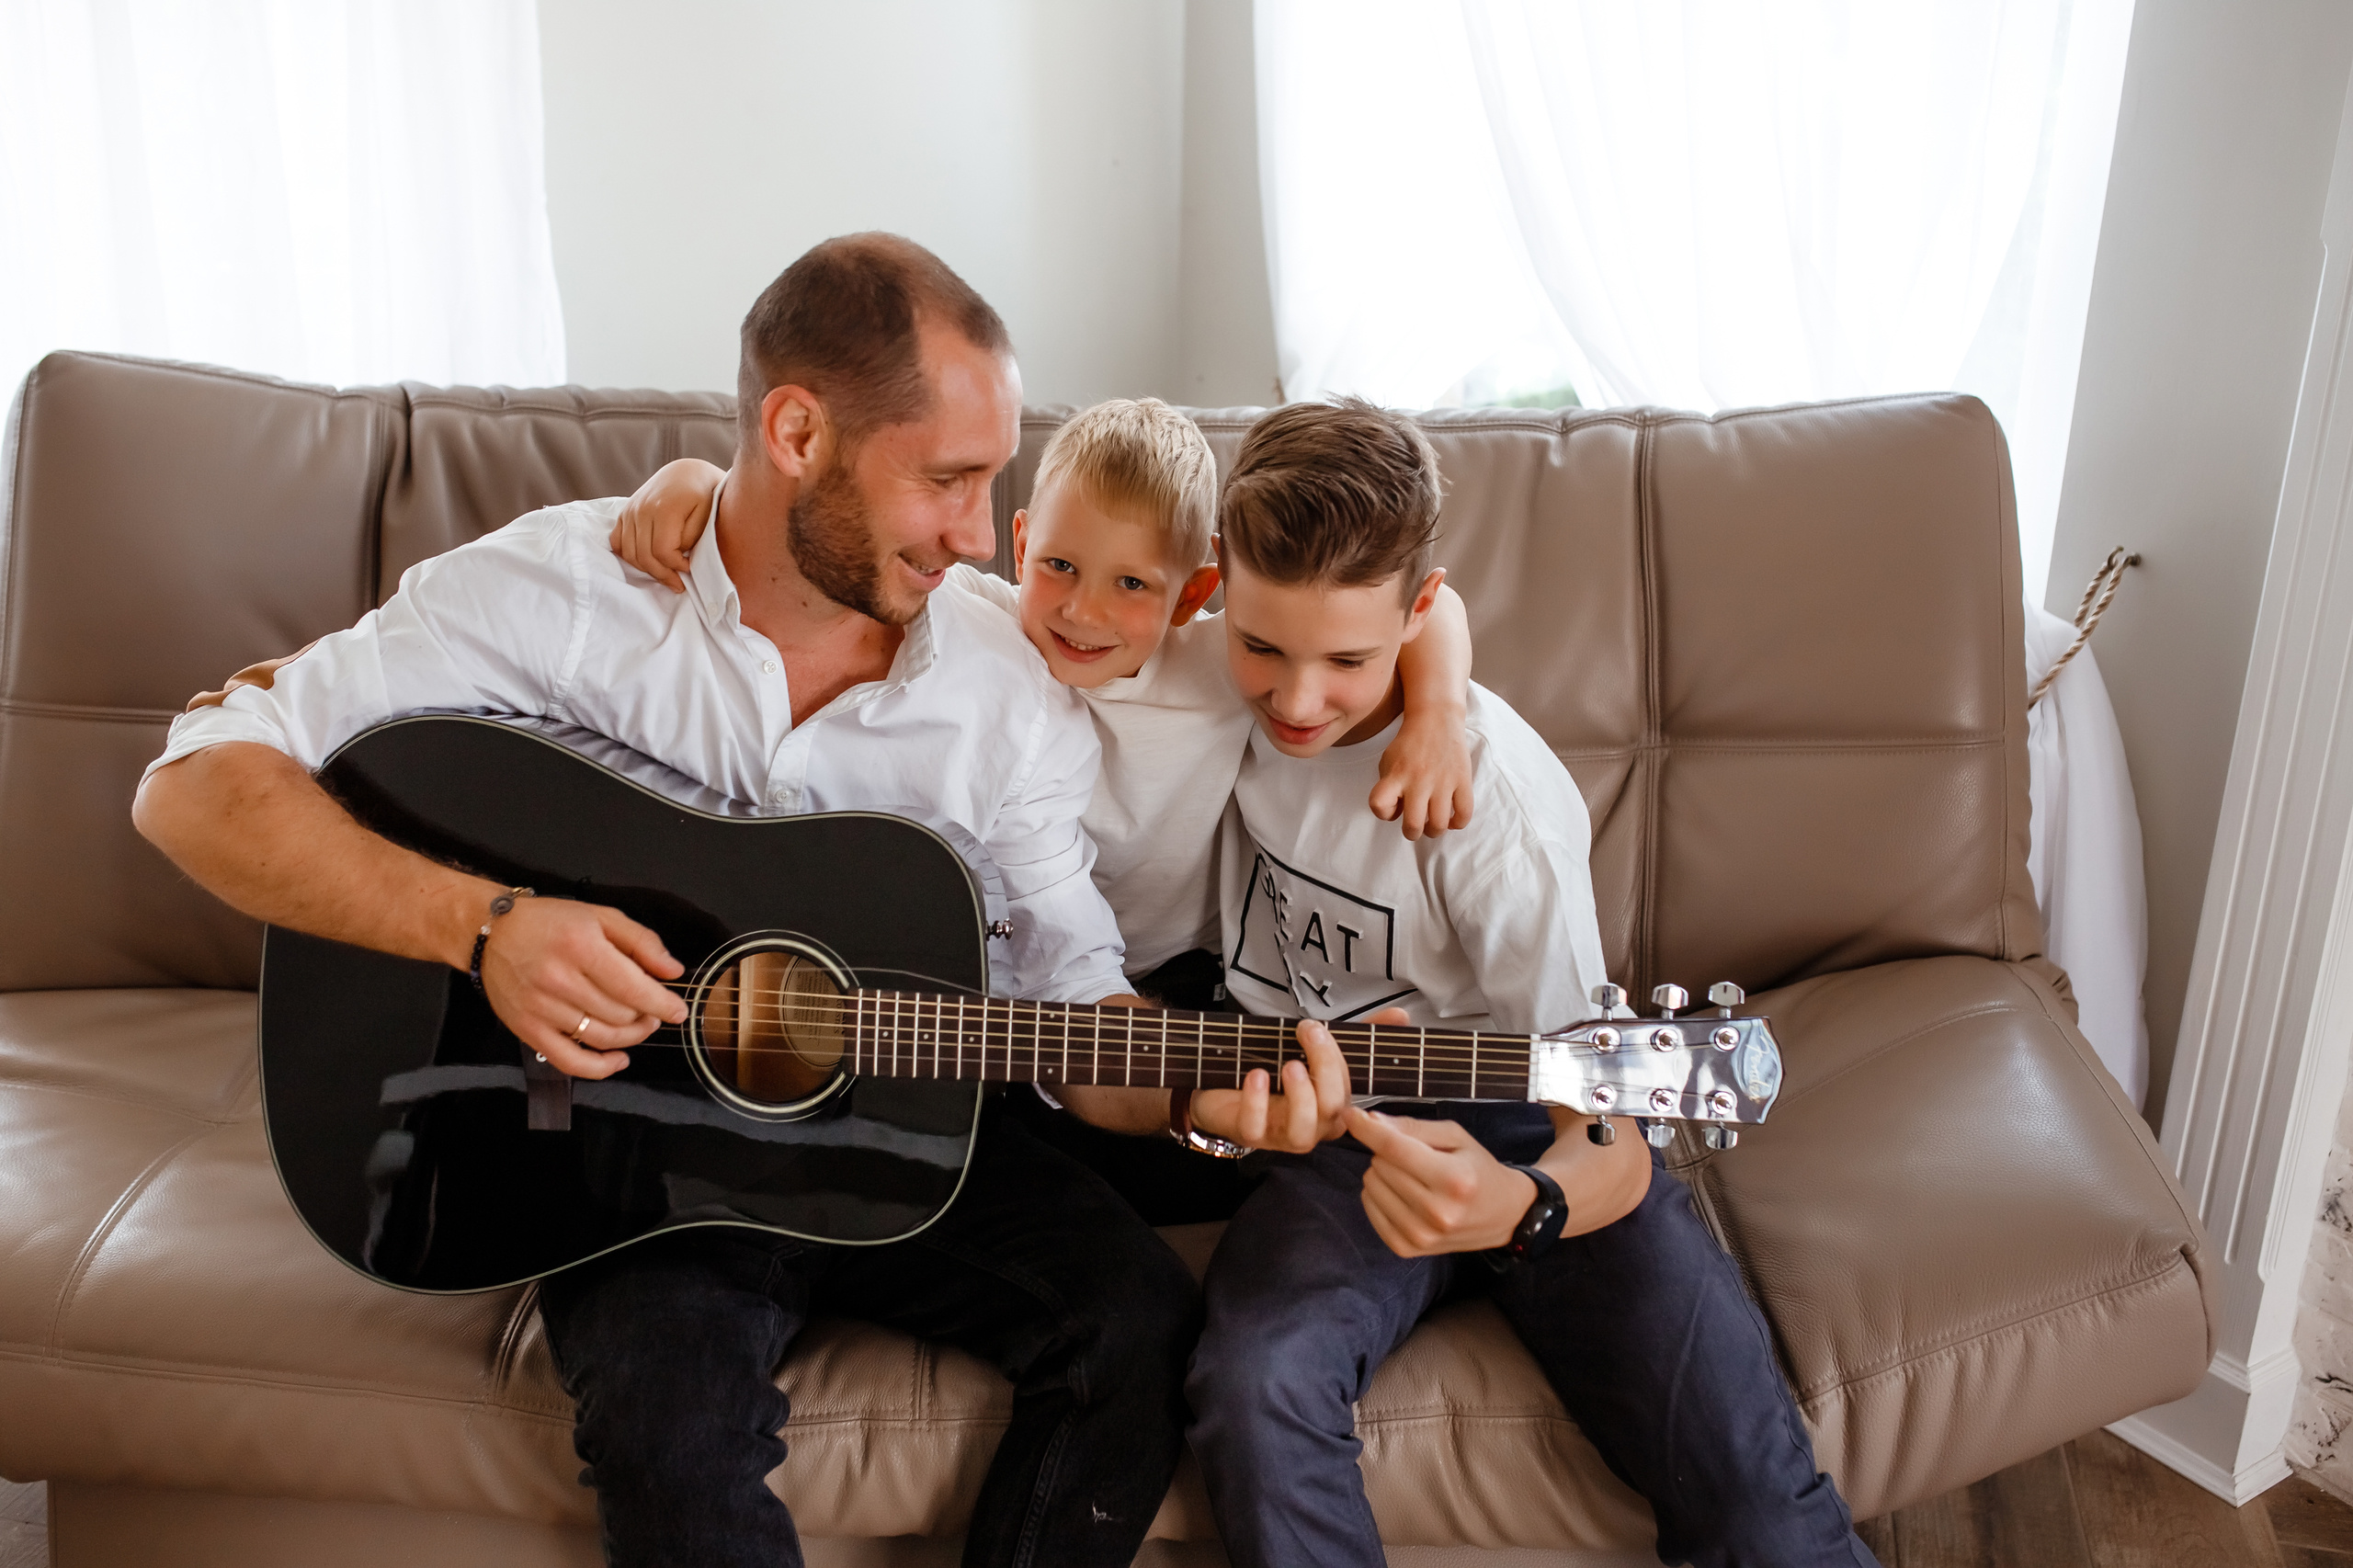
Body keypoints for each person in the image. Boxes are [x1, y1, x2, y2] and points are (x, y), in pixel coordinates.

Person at [133, 233, 1204, 1568]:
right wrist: (483, 929)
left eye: (993, 482)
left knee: (1143, 1326)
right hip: (617, 1148)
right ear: (797, 429)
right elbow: (194, 782)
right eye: (946, 480)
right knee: (670, 1427)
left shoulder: (1009, 689)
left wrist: (1197, 1097)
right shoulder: (569, 594)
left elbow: (1073, 1003)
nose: (981, 537)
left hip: (903, 1122)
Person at [1176, 398, 1883, 1568]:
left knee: (1759, 1508)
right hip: (1341, 1133)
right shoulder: (1199, 672)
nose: (1297, 701)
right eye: (1263, 647)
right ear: (1217, 591)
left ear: (1411, 613)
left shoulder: (1488, 811)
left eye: (1349, 660)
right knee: (1253, 1383)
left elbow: (1607, 1138)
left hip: (1529, 1122)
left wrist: (1522, 1206)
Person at [608, 397, 1481, 1209]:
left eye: (1132, 586)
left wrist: (1437, 713)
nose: (1083, 610)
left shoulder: (1234, 664)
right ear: (1019, 546)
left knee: (1219, 1172)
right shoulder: (974, 620)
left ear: (1191, 597)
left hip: (1172, 980)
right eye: (1060, 565)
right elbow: (816, 539)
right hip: (1009, 985)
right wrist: (699, 483)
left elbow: (1409, 608)